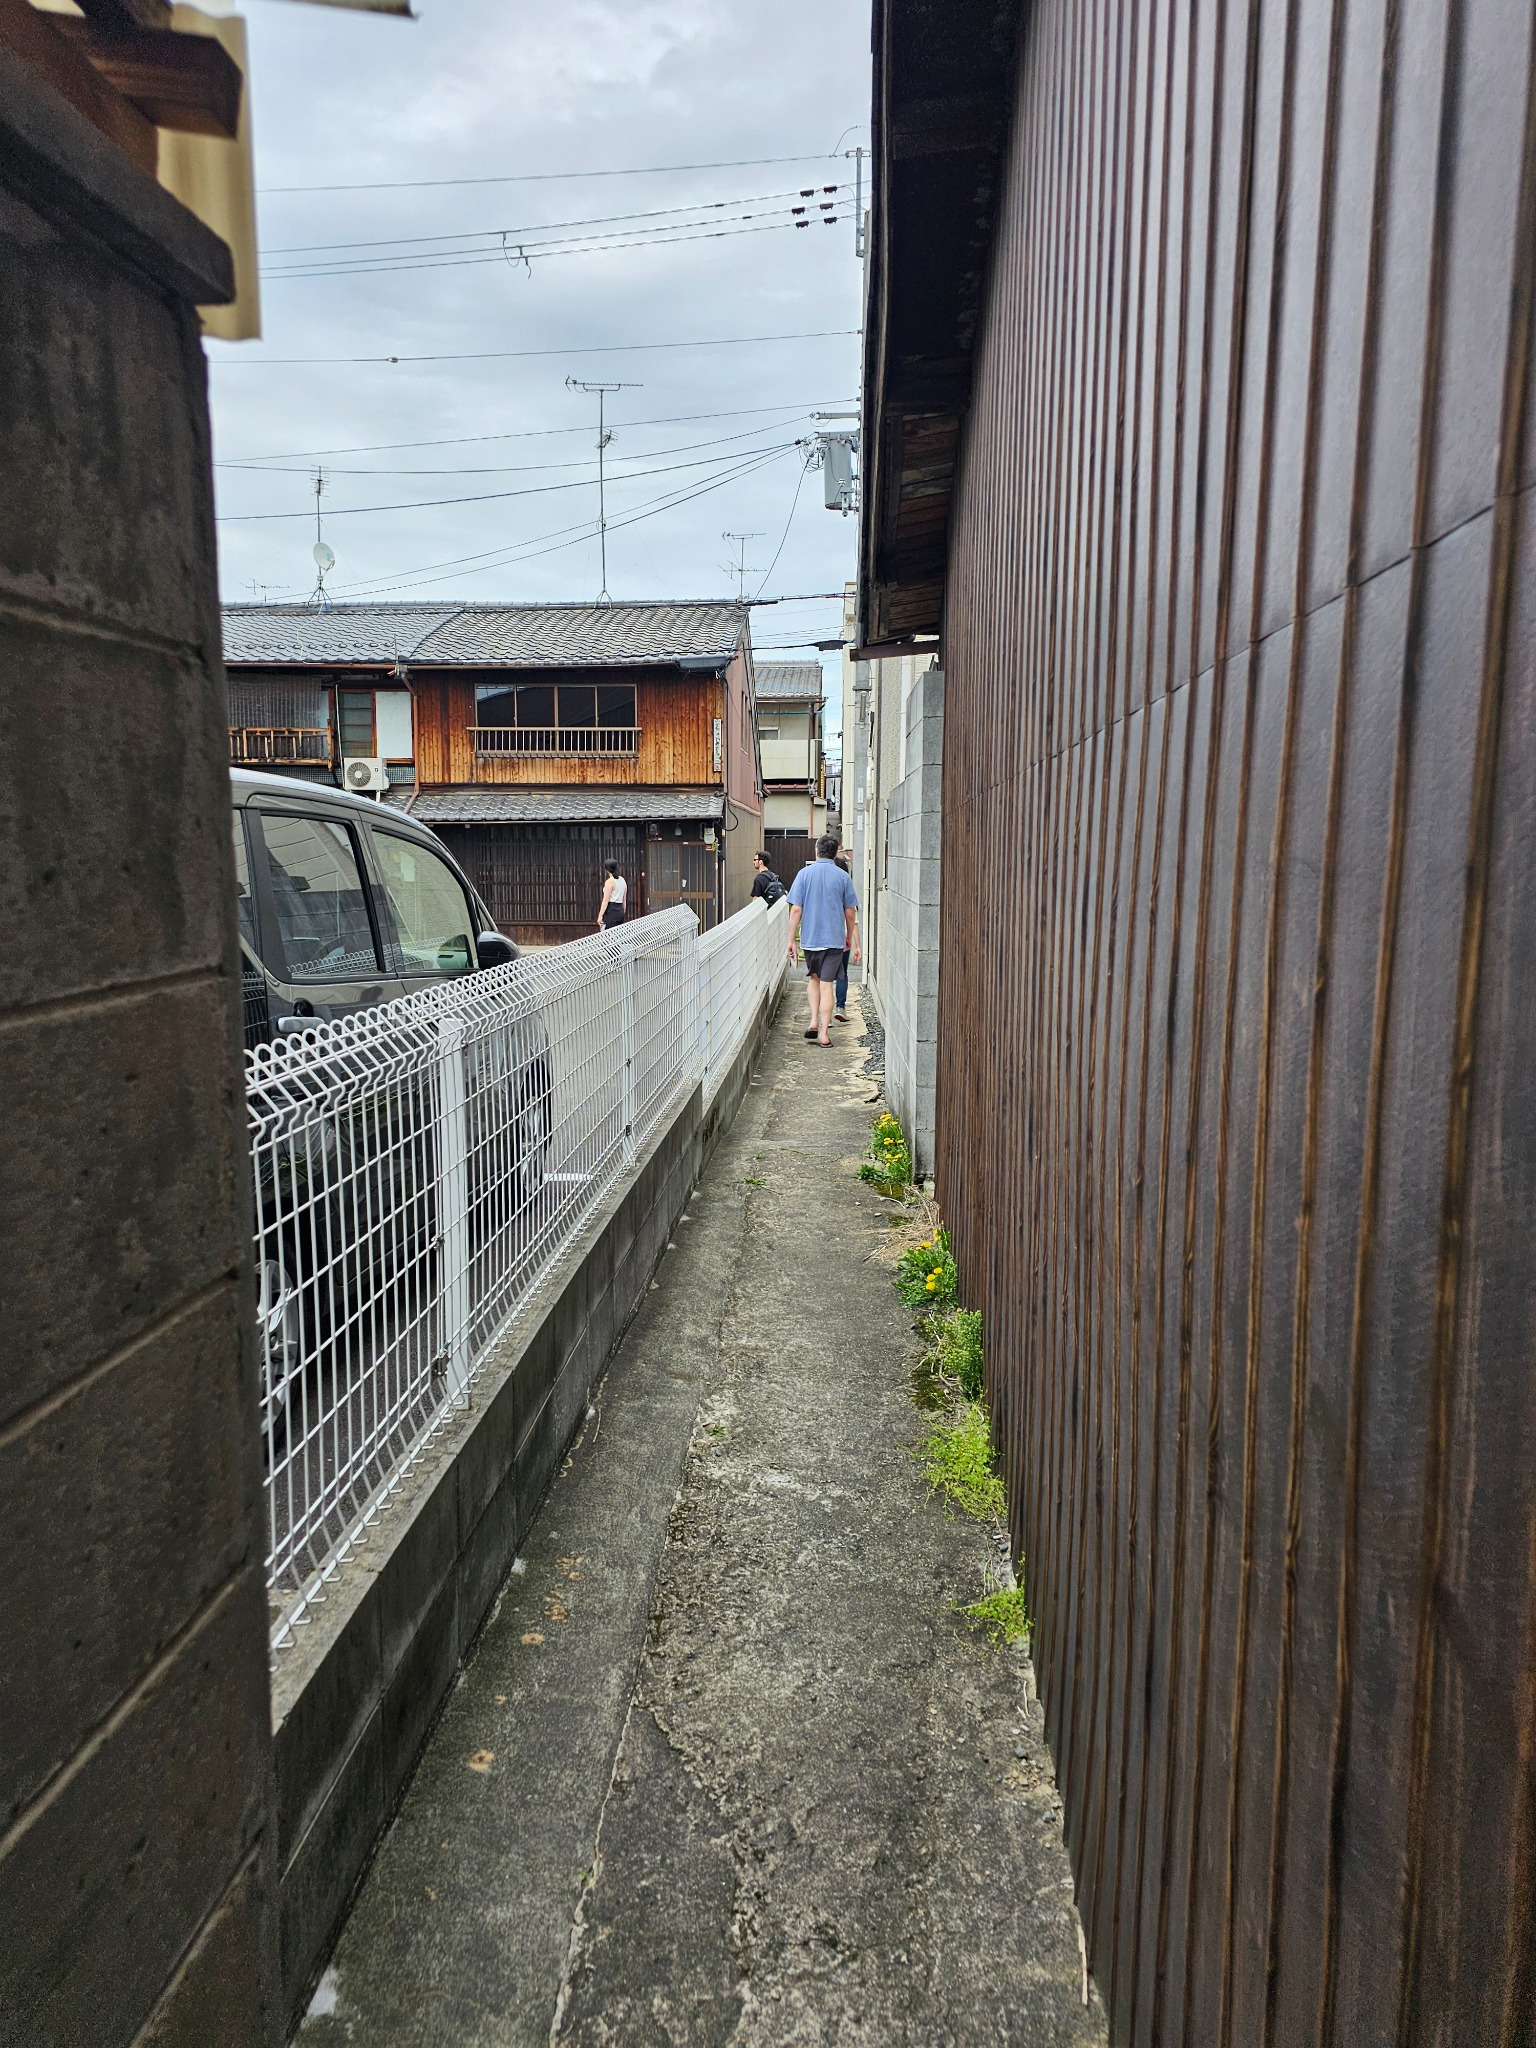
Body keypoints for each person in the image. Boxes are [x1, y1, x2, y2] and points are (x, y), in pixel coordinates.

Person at [787, 832, 860, 1047]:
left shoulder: (804, 874)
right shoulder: (843, 877)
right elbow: (850, 912)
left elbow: (796, 909)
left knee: (814, 980)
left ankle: (812, 1022)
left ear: (817, 851)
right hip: (835, 940)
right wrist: (849, 937)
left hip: (810, 939)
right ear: (835, 852)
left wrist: (791, 939)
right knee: (827, 986)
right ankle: (824, 1035)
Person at [832, 846, 852, 1020]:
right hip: (842, 937)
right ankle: (840, 1007)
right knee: (842, 973)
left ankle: (824, 1016)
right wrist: (852, 940)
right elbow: (853, 916)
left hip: (823, 937)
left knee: (822, 978)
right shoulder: (846, 884)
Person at [597, 860, 628, 931]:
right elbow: (624, 899)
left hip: (612, 910)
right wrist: (623, 911)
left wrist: (600, 915)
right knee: (618, 935)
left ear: (607, 870)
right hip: (620, 909)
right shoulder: (622, 880)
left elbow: (606, 900)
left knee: (609, 935)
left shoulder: (609, 882)